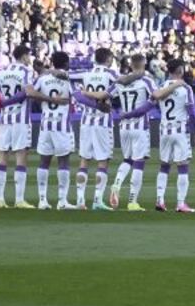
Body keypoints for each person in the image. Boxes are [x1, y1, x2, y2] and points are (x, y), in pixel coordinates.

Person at [123, 59, 195, 213]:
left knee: (164, 166)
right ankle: (180, 203)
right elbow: (192, 112)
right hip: (180, 131)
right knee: (183, 166)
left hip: (164, 131)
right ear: (180, 69)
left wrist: (128, 114)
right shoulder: (185, 88)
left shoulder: (160, 88)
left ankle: (160, 200)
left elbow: (145, 108)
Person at [72, 48, 126, 210]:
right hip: (102, 122)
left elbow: (76, 93)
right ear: (109, 59)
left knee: (84, 160)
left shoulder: (86, 74)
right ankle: (97, 200)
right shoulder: (111, 74)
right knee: (103, 161)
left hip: (86, 121)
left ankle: (80, 200)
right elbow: (117, 90)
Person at [28, 52, 78, 210]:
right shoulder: (67, 78)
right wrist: (56, 100)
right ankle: (62, 201)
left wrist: (44, 98)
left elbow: (30, 93)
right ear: (66, 63)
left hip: (45, 124)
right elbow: (72, 99)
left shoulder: (43, 78)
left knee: (44, 162)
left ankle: (42, 200)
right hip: (62, 125)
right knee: (64, 161)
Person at [0, 46, 36, 208]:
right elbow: (27, 92)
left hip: (5, 118)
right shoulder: (26, 71)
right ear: (24, 56)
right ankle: (19, 199)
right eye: (29, 56)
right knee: (21, 157)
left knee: (3, 156)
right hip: (20, 119)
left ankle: (0, 199)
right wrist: (5, 102)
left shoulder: (2, 71)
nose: (29, 59)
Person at [110, 54, 156, 212]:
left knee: (127, 159)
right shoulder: (147, 80)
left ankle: (116, 184)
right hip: (139, 126)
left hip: (123, 126)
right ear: (144, 64)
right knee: (139, 162)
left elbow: (106, 96)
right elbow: (156, 97)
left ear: (131, 64)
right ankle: (132, 201)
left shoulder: (120, 81)